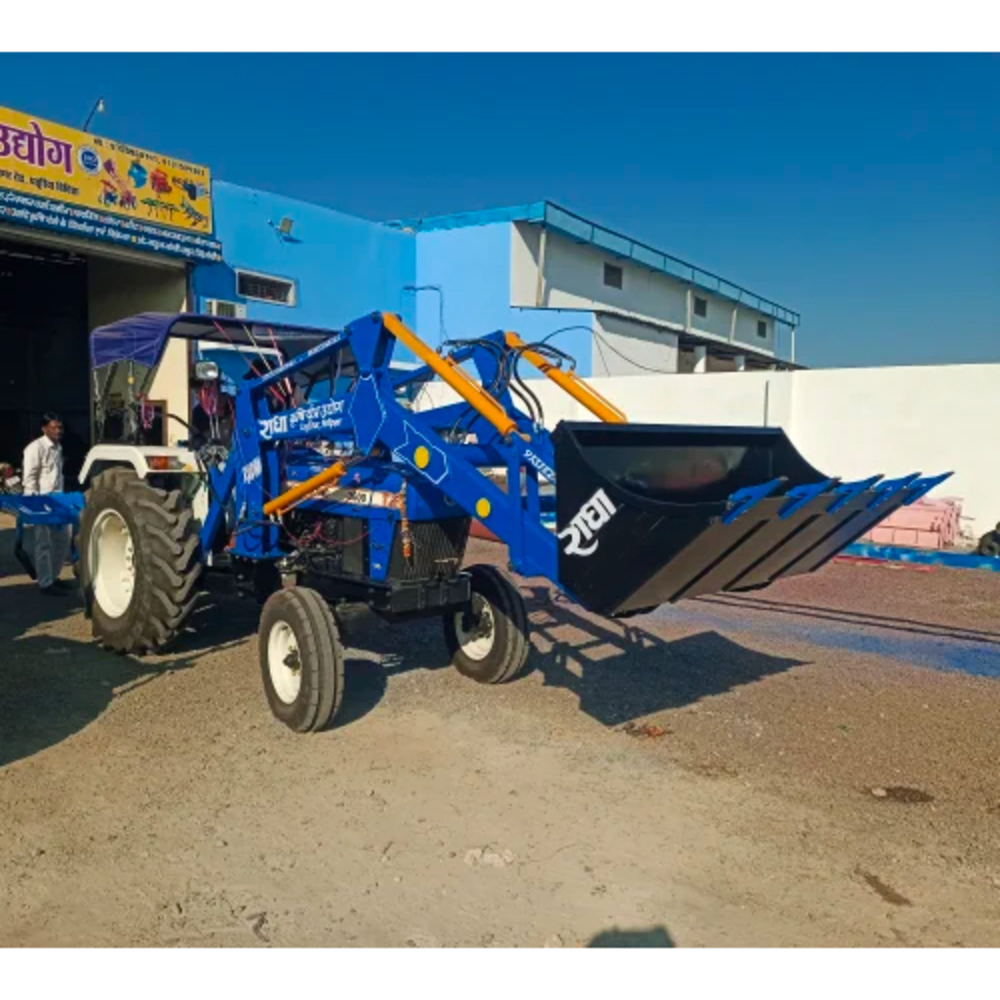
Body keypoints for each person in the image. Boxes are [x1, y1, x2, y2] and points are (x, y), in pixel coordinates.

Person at [22, 412, 72, 597]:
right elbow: (30, 478)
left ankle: (53, 576)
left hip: (58, 499)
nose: (58, 431)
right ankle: (45, 583)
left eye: (60, 427)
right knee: (43, 543)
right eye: (54, 427)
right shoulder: (34, 448)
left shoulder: (58, 447)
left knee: (63, 539)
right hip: (41, 500)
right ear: (44, 429)